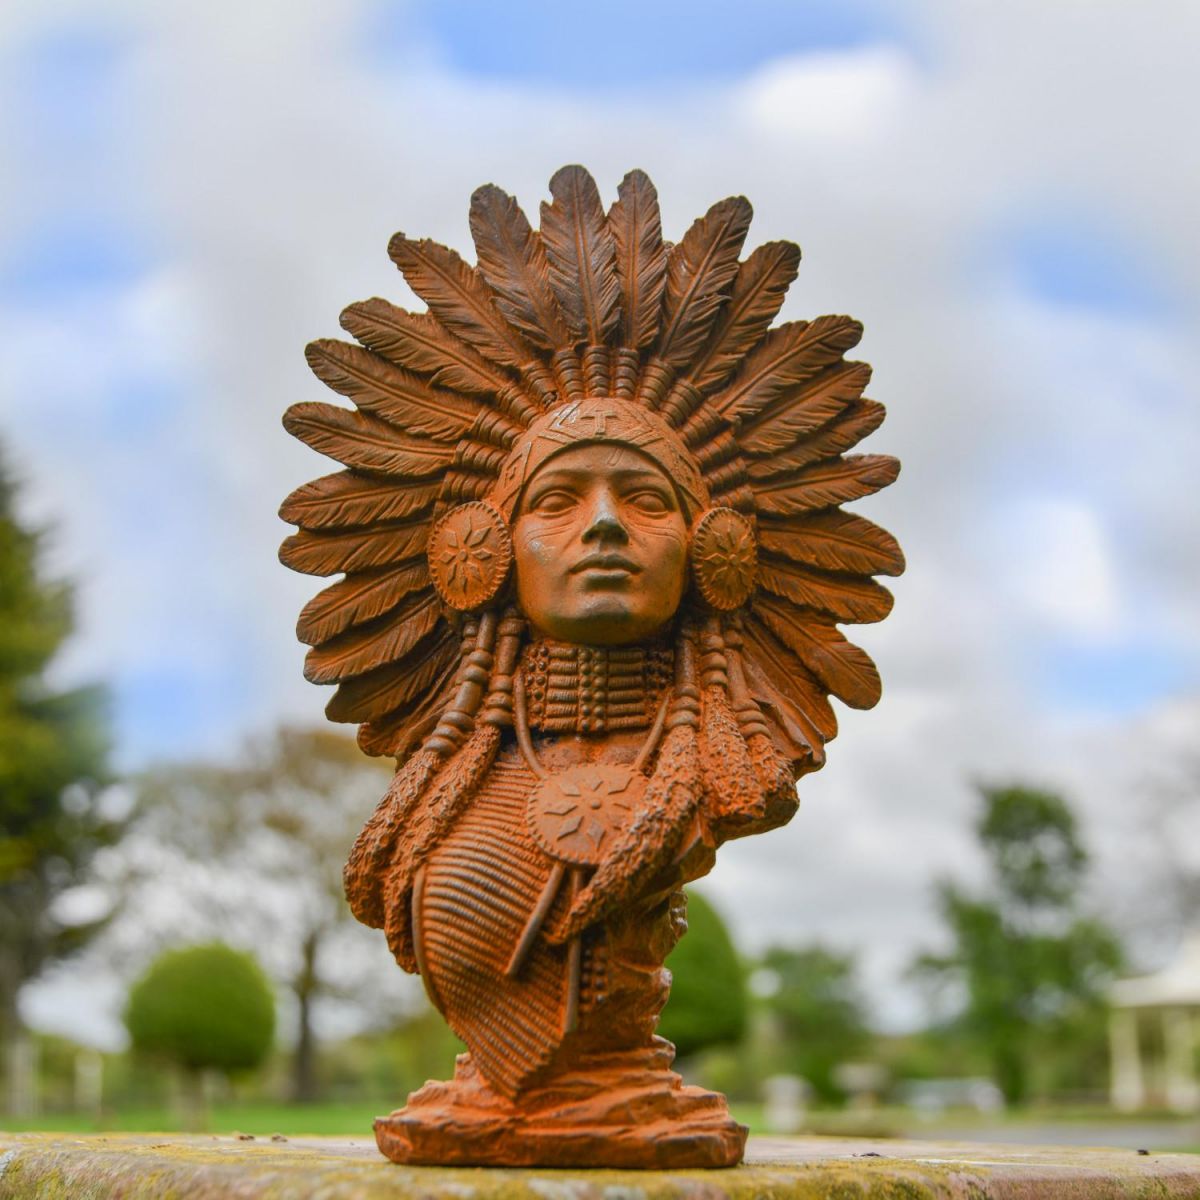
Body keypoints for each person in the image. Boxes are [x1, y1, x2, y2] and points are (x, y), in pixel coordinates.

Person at [281, 165, 902, 1165]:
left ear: (714, 551)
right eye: (560, 498)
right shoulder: (452, 785)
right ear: (482, 549)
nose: (605, 526)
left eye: (647, 500)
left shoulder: (719, 774)